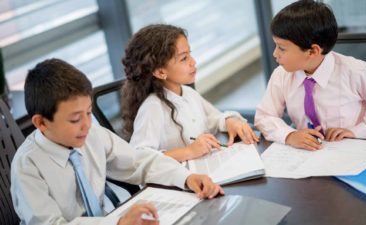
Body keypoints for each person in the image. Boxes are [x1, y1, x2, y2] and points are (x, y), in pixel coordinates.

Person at [10, 59, 224, 225]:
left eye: (89, 112)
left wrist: (186, 178)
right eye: (75, 119)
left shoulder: (92, 135)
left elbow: (139, 162)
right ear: (41, 123)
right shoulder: (28, 166)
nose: (86, 124)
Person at [254, 0, 366, 151]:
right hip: (306, 154)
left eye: (282, 48)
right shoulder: (281, 75)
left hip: (351, 151)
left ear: (313, 51)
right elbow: (264, 116)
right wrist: (289, 135)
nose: (275, 54)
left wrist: (358, 132)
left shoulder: (354, 71)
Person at [121, 24, 259, 162]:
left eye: (189, 54)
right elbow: (138, 159)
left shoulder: (188, 93)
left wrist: (230, 121)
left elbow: (214, 118)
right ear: (160, 72)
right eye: (183, 58)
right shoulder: (153, 107)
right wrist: (188, 151)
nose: (193, 62)